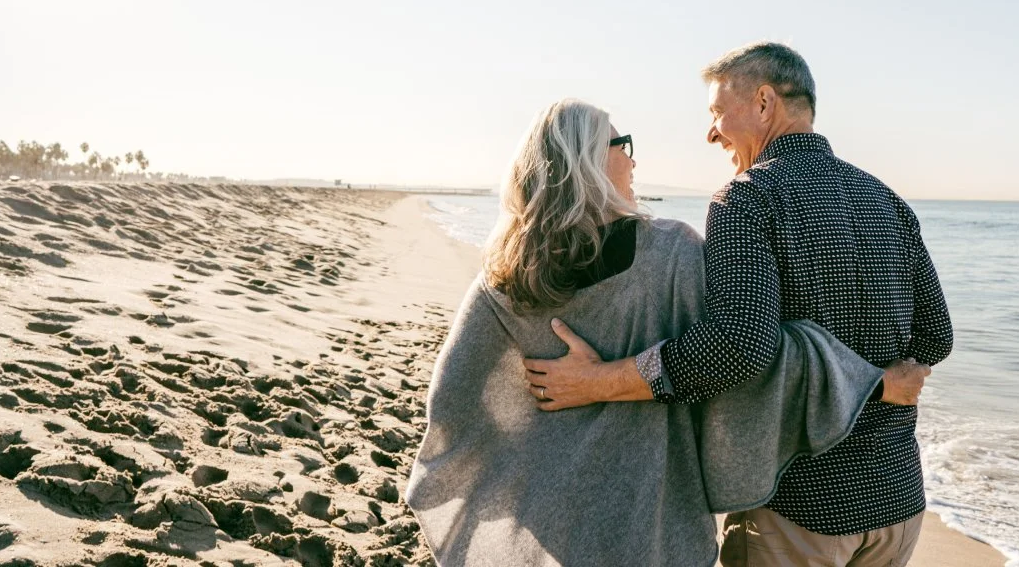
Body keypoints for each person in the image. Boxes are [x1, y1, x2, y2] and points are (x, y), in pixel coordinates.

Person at [405, 99, 927, 567]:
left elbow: (452, 409)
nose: (633, 159)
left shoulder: (503, 274)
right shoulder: (673, 256)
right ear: (588, 160)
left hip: (555, 521)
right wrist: (873, 381)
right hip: (655, 520)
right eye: (622, 144)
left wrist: (520, 471)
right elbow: (750, 353)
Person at [528, 43, 953, 567]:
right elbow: (937, 337)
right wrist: (880, 382)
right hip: (897, 500)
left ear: (763, 102)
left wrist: (598, 382)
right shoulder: (886, 199)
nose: (711, 132)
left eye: (716, 113)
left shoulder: (747, 196)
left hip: (797, 506)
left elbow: (738, 344)